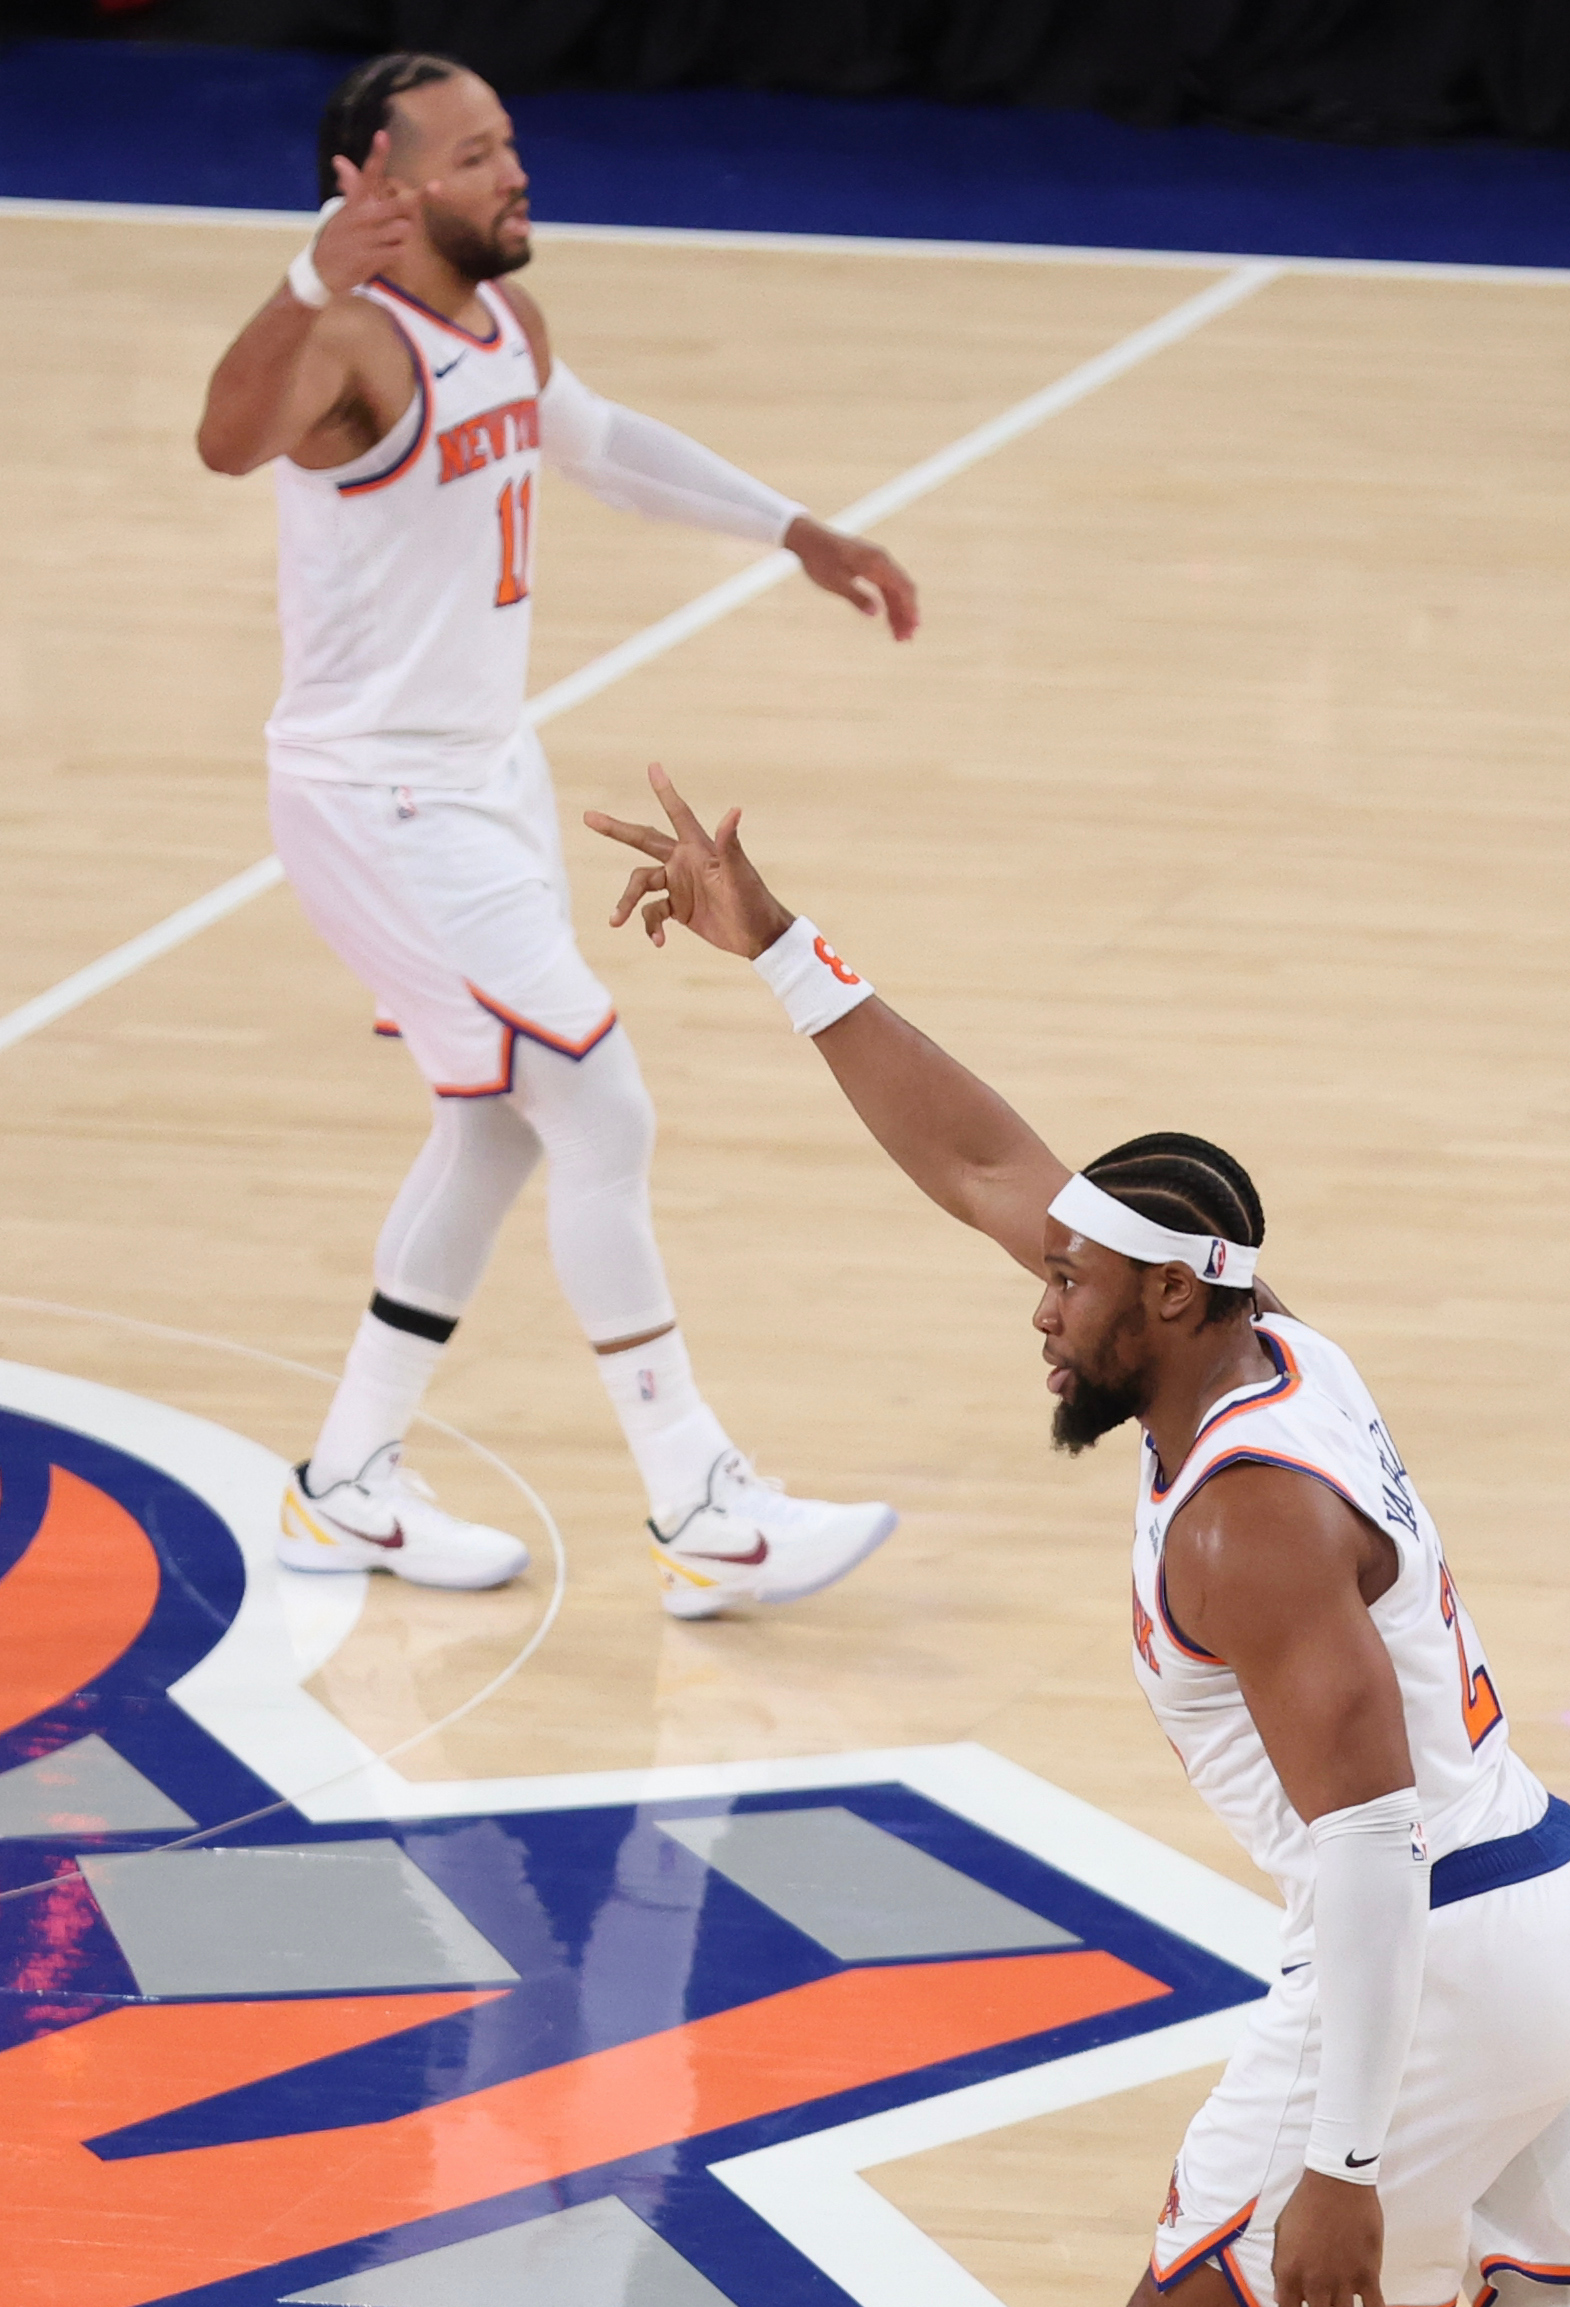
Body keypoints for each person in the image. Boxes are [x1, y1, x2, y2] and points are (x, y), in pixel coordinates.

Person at [585, 764, 1570, 2307]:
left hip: (1439, 1937)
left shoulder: (1248, 1522)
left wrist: (1346, 2170)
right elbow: (982, 1156)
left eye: (1070, 1284)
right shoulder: (1267, 1337)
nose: (1038, 1301)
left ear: (1168, 1292)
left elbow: (1371, 1847)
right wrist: (779, 947)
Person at [195, 52, 916, 1613]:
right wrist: (296, 277)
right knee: (595, 1096)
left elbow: (604, 449)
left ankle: (346, 1483)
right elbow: (225, 438)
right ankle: (698, 1496)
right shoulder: (345, 342)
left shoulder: (507, 322)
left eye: (508, 142)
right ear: (373, 187)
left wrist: (797, 530)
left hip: (483, 774)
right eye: (472, 155)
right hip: (377, 795)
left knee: (496, 1122)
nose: (513, 172)